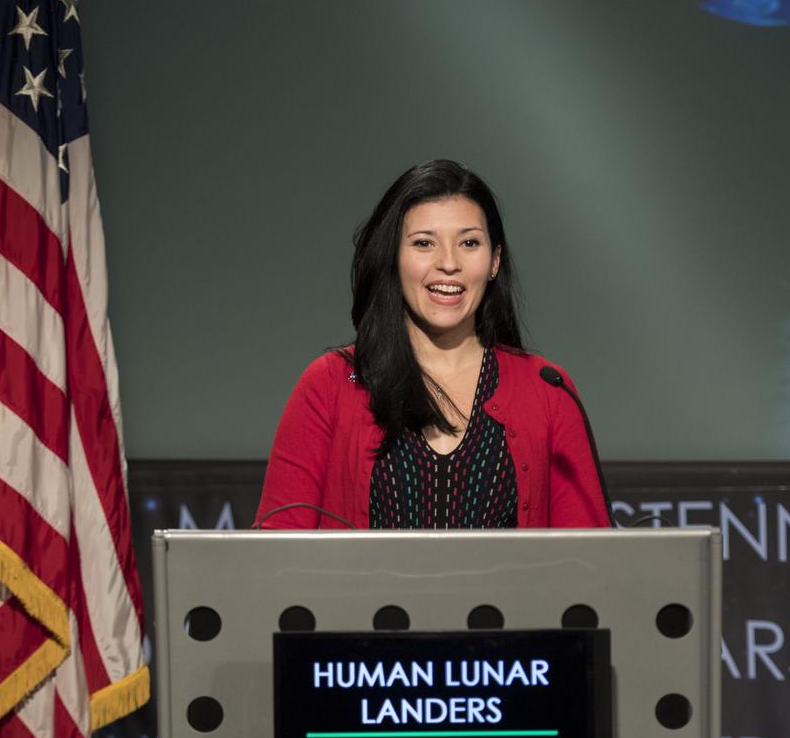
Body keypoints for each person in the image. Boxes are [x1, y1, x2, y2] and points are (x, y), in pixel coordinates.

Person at [255, 160, 610, 530]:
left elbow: (589, 567)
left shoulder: (547, 392)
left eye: (469, 243)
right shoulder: (330, 384)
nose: (448, 263)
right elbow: (277, 558)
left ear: (494, 261)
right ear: (394, 256)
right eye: (424, 243)